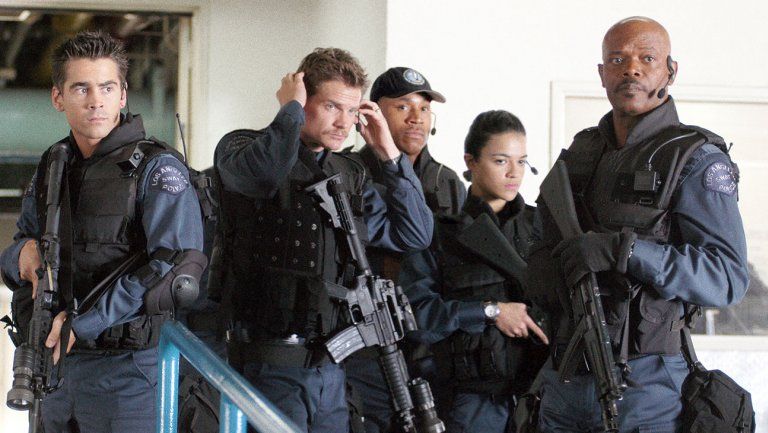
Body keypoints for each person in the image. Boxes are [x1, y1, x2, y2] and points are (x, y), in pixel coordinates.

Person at [531, 17, 749, 433]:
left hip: (646, 384)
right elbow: (541, 242)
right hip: (564, 375)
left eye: (646, 58)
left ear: (670, 71)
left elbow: (727, 278)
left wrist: (624, 251)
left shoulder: (695, 158)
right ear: (601, 74)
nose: (631, 69)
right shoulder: (581, 152)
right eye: (617, 59)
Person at [213, 47, 433, 433]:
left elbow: (414, 233)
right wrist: (289, 111)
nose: (343, 122)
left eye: (352, 110)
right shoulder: (242, 148)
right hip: (267, 363)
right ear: (302, 98)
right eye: (331, 107)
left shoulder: (347, 174)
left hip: (330, 371)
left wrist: (389, 155)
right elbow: (264, 176)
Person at [0, 31, 205, 433]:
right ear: (58, 97)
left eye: (107, 87)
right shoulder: (52, 166)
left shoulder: (156, 168)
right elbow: (18, 247)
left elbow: (172, 265)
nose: (96, 100)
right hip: (56, 370)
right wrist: (20, 255)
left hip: (127, 374)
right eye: (81, 88)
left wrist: (83, 325)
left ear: (123, 95)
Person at [399, 110, 550, 433]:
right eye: (501, 161)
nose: (514, 173)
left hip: (540, 399)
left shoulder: (543, 228)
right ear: (471, 161)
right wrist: (490, 312)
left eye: (522, 161)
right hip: (471, 403)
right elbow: (415, 317)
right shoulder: (440, 233)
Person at [344, 66, 466, 433]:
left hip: (431, 342)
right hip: (367, 341)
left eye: (424, 108)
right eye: (403, 107)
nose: (417, 118)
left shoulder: (446, 182)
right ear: (374, 113)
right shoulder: (351, 174)